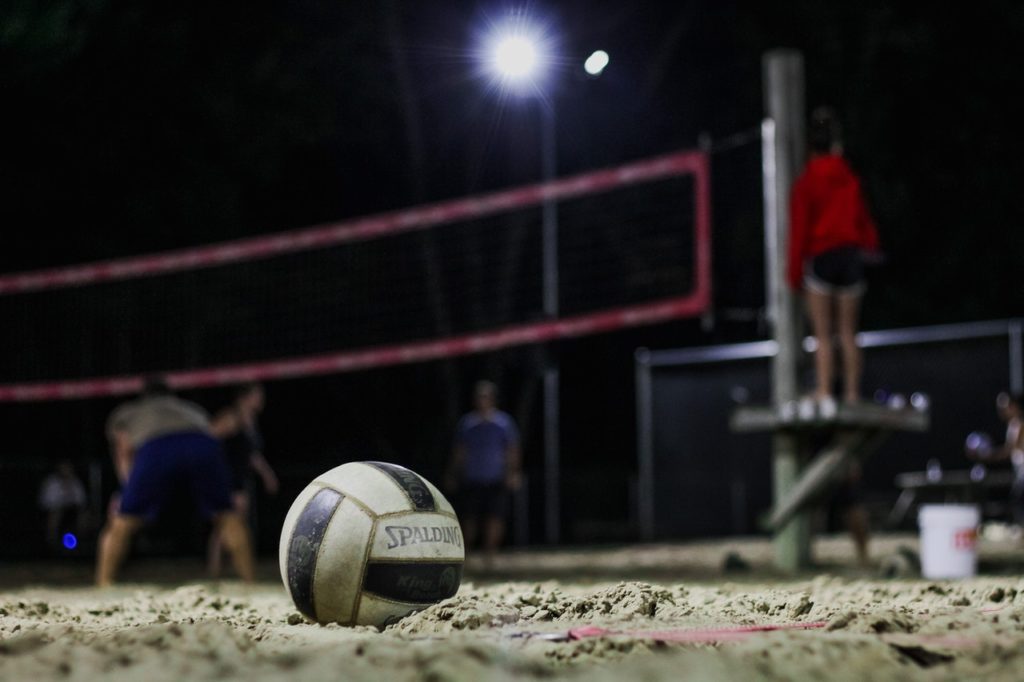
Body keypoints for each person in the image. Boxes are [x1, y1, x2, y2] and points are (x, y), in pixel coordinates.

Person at [96, 376, 255, 585]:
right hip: (203, 445)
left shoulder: (128, 411)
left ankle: (104, 581)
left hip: (157, 446)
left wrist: (127, 491)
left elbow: (123, 450)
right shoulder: (190, 408)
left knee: (122, 521)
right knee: (227, 516)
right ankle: (250, 580)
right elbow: (213, 433)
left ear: (144, 396)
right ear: (170, 395)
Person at [788, 106, 881, 415]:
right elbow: (863, 219)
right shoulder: (849, 178)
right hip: (851, 256)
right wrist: (869, 246)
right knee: (848, 333)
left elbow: (799, 229)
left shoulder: (807, 182)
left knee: (823, 335)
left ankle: (825, 392)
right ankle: (853, 395)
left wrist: (793, 273)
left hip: (823, 257)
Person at [445, 381, 522, 567]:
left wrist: (513, 473)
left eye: (486, 397)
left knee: (495, 518)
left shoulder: (503, 423)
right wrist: (452, 473)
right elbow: (459, 451)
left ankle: (490, 556)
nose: (482, 400)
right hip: (473, 478)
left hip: (496, 478)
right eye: (480, 397)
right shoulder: (468, 423)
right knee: (469, 518)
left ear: (493, 399)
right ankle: (468, 555)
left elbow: (511, 450)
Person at [208, 382, 278, 576]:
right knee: (228, 524)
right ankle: (219, 571)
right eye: (257, 395)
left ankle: (221, 570)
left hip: (239, 479)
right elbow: (208, 440)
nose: (261, 399)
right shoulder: (232, 418)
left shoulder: (250, 421)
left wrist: (267, 475)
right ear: (244, 397)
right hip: (226, 479)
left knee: (230, 525)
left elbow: (251, 455)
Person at [966, 391, 1024, 525]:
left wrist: (988, 455)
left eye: (1005, 408)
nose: (1002, 411)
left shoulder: (1020, 423)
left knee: (1018, 499)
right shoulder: (1013, 424)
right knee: (1017, 499)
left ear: (1013, 406)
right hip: (1020, 470)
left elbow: (1011, 449)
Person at [38, 459, 87, 550]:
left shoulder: (75, 482)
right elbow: (45, 502)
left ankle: (82, 543)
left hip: (72, 512)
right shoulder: (51, 482)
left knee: (85, 515)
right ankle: (51, 543)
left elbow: (81, 501)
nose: (66, 471)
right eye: (64, 468)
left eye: (68, 468)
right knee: (55, 514)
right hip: (52, 511)